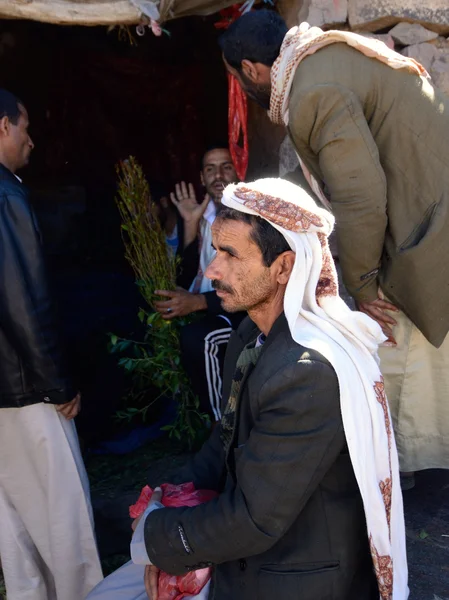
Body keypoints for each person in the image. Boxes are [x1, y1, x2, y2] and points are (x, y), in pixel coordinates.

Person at [87, 178, 408, 600]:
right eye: (215, 250)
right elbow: (225, 440)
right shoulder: (250, 335)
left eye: (231, 254)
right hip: (248, 552)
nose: (210, 270)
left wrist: (156, 539)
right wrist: (165, 500)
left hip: (293, 577)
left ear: (283, 268)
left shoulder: (306, 371)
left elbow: (253, 520)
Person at [219, 9, 449, 487]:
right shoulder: (321, 59)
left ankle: (388, 474)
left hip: (426, 230)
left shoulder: (313, 91)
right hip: (426, 216)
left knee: (382, 342)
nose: (244, 91)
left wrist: (362, 284)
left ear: (252, 70)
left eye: (240, 81)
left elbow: (361, 196)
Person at [0, 89, 103, 599]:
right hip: (28, 388)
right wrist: (57, 383)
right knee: (64, 515)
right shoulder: (6, 197)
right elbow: (22, 301)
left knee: (13, 524)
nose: (31, 141)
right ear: (2, 127)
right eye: (24, 128)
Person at [154, 146, 243, 422]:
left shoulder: (250, 216)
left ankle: (223, 430)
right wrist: (190, 225)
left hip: (246, 313)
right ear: (202, 179)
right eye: (210, 169)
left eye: (226, 166)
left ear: (239, 169)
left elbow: (249, 290)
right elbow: (183, 281)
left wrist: (199, 303)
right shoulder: (204, 218)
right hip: (216, 309)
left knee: (200, 339)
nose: (218, 175)